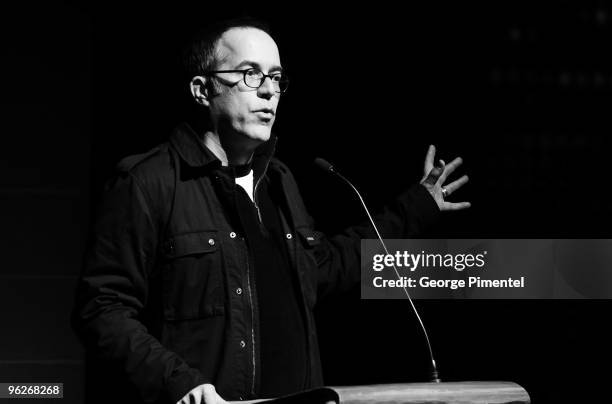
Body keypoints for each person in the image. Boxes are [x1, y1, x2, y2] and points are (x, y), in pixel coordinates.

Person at [72, 17, 470, 404]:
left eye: (276, 78)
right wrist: (179, 384)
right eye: (250, 74)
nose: (268, 91)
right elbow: (102, 309)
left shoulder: (279, 182)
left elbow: (324, 267)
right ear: (201, 89)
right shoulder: (148, 183)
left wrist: (415, 208)